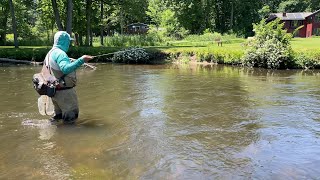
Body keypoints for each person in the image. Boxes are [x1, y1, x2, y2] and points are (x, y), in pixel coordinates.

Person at [45, 31, 93, 124]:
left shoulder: (50, 53)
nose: (69, 44)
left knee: (58, 118)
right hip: (65, 94)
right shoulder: (60, 54)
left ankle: (56, 137)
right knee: (70, 120)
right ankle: (69, 137)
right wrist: (81, 60)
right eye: (68, 42)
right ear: (64, 41)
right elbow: (66, 69)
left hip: (55, 92)